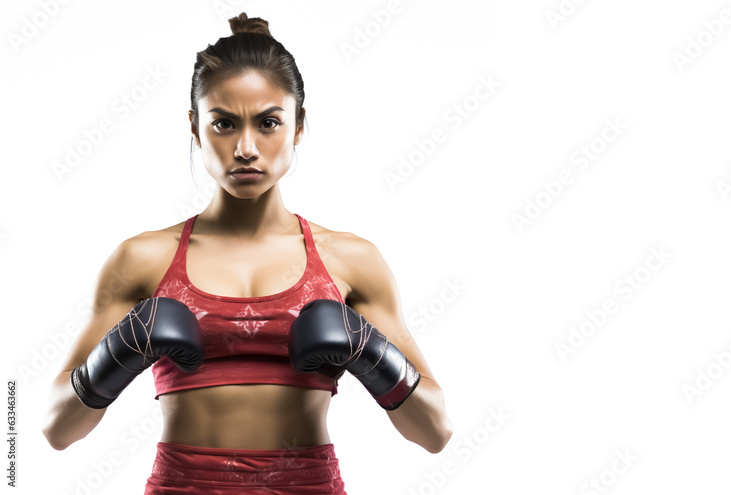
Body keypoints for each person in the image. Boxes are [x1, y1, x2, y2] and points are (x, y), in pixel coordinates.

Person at [41, 12, 453, 494]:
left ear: (299, 127)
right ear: (194, 129)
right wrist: (118, 353)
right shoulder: (142, 259)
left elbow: (434, 432)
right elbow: (57, 429)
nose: (245, 148)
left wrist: (369, 349)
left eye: (269, 123)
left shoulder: (350, 261)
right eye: (224, 124)